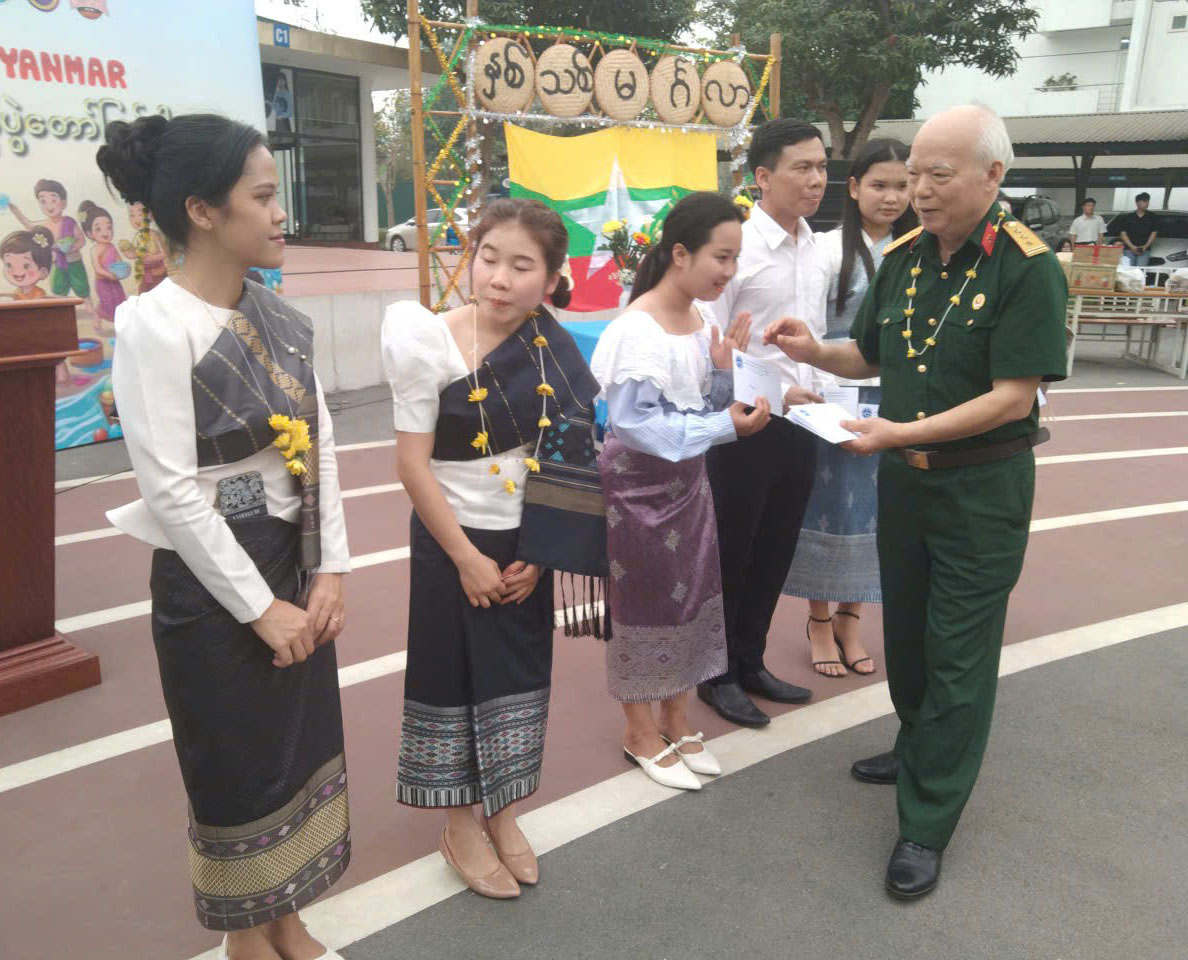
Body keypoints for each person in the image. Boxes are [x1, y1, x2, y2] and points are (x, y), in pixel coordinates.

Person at [765, 105, 1067, 899]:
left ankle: (926, 821)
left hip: (980, 489)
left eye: (938, 175)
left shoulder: (1028, 267)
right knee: (909, 632)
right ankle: (917, 743)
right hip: (907, 481)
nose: (918, 193)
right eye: (911, 177)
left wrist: (899, 432)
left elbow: (1011, 397)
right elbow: (865, 352)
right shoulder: (903, 257)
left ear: (992, 176)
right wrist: (810, 350)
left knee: (960, 651)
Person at [98, 114, 352, 960]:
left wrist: (330, 573)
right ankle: (249, 938)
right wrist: (260, 609)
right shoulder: (151, 324)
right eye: (264, 195)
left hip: (290, 553)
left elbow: (318, 447)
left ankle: (288, 914)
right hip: (213, 587)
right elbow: (170, 488)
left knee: (300, 748)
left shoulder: (281, 318)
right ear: (203, 211)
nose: (281, 214)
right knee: (235, 766)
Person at [382, 198, 600, 899]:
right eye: (488, 257)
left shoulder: (554, 348)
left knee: (516, 674)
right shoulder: (428, 342)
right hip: (453, 542)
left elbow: (567, 457)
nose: (500, 278)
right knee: (451, 674)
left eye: (522, 265)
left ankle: (503, 813)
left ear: (552, 276)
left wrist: (540, 552)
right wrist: (465, 558)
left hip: (523, 542)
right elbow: (412, 464)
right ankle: (458, 824)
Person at [590, 192, 771, 791]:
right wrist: (726, 423)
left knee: (692, 595)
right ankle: (638, 729)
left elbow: (703, 408)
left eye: (735, 259)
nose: (728, 271)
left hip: (689, 485)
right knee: (642, 605)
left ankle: (677, 717)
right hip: (638, 493)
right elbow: (639, 425)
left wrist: (725, 373)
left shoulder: (703, 321)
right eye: (721, 257)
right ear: (679, 254)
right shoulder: (636, 329)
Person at [697, 118, 830, 728]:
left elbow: (818, 340)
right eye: (802, 167)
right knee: (732, 549)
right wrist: (776, 390)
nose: (816, 179)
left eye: (822, 167)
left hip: (805, 424)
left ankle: (749, 659)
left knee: (776, 545)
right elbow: (713, 346)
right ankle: (714, 673)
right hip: (745, 424)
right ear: (763, 177)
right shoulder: (736, 249)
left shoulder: (815, 245)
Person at [782, 138, 914, 679]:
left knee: (877, 509)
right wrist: (813, 390)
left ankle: (852, 616)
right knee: (827, 503)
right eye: (880, 185)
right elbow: (809, 326)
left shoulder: (918, 250)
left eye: (902, 186)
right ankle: (817, 620)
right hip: (833, 392)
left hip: (894, 397)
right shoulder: (827, 249)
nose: (892, 197)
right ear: (855, 188)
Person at [79, 200, 128, 329]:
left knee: (119, 302)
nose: (105, 232)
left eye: (108, 227)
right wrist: (109, 275)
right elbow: (98, 269)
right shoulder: (95, 249)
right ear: (90, 233)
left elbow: (119, 261)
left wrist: (123, 269)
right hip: (103, 283)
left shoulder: (112, 246)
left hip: (115, 282)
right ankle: (98, 313)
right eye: (98, 229)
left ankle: (121, 325)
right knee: (107, 304)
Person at [1117, 192, 1159, 267]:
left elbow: (1154, 233)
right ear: (1137, 203)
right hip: (1129, 249)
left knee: (1140, 271)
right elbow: (1123, 233)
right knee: (1128, 272)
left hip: (1144, 250)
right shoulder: (1128, 217)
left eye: (1147, 201)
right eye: (1144, 201)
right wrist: (1132, 247)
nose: (1147, 204)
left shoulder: (1153, 216)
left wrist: (1145, 246)